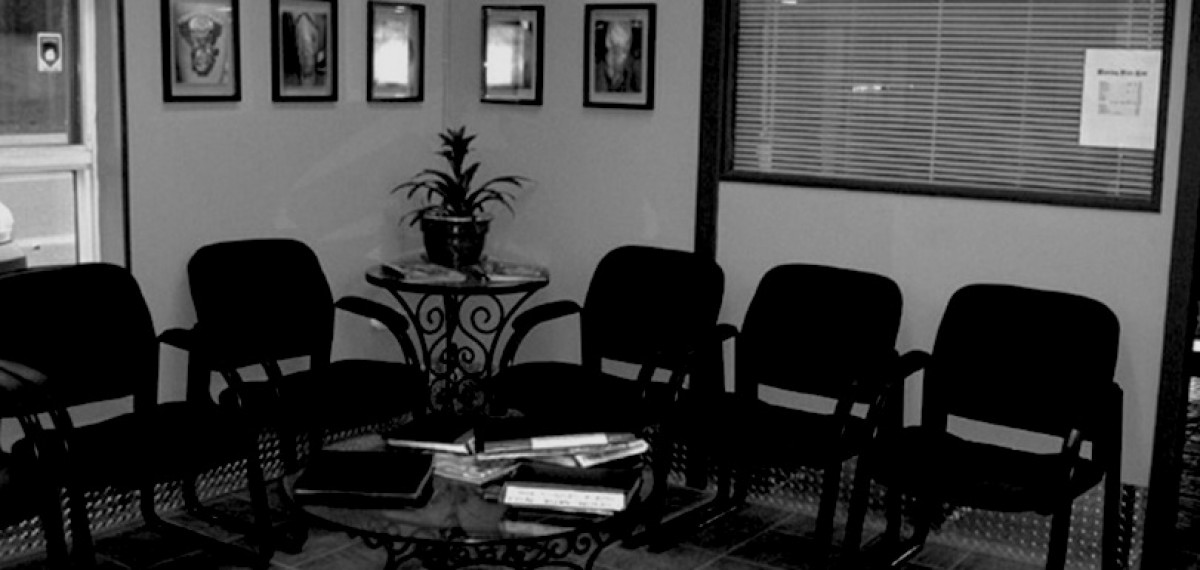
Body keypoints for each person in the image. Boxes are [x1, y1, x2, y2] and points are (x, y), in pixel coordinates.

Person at [594, 20, 640, 93]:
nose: (623, 55)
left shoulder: (633, 68)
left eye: (625, 49)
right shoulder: (597, 74)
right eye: (618, 46)